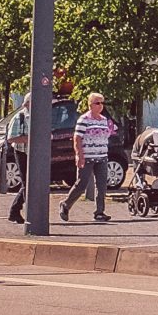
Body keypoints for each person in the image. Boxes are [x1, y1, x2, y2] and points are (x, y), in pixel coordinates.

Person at [60, 91, 115, 222]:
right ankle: (66, 204)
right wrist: (79, 155)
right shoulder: (84, 119)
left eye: (102, 103)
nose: (100, 106)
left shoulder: (104, 120)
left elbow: (107, 135)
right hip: (87, 156)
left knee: (102, 185)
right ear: (90, 105)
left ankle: (99, 211)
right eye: (97, 103)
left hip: (101, 156)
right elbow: (77, 138)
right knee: (81, 183)